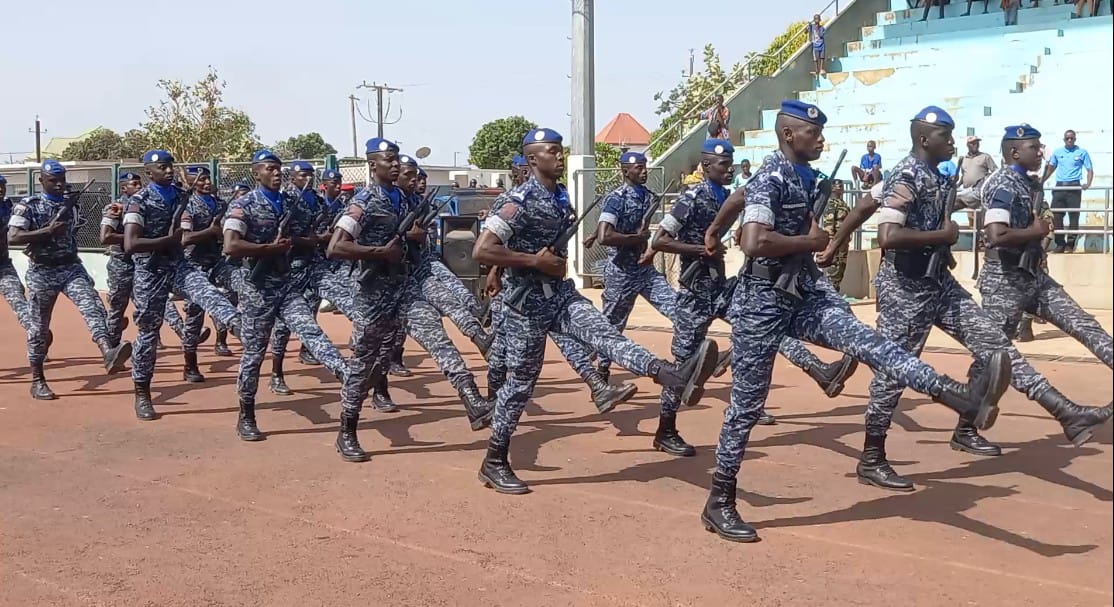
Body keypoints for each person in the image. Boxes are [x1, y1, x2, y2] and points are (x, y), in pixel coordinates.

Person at [699, 101, 1008, 542]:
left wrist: (715, 229)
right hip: (760, 301)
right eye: (813, 132)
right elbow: (754, 241)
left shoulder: (805, 177)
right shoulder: (773, 175)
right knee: (746, 407)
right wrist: (808, 239)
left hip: (803, 293)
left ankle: (955, 394)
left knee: (871, 343)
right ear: (789, 135)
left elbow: (737, 197)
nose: (821, 139)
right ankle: (720, 500)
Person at [862, 107, 1111, 488]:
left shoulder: (942, 178)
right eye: (946, 136)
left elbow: (956, 205)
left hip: (941, 285)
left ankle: (1063, 411)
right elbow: (888, 238)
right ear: (925, 139)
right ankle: (872, 456)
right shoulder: (905, 174)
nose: (954, 143)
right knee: (894, 372)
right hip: (905, 288)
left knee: (998, 349)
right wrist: (943, 237)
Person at [472, 127, 720, 495]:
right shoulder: (517, 199)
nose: (559, 156)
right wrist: (531, 261)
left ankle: (669, 373)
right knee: (520, 385)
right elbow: (483, 249)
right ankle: (494, 460)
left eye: (560, 150)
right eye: (552, 151)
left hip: (560, 294)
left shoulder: (561, 198)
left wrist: (548, 265)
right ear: (532, 157)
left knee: (605, 334)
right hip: (525, 303)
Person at [975, 124, 1112, 444]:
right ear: (1013, 152)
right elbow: (996, 235)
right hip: (1004, 282)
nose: (1041, 152)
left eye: (1040, 147)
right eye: (1033, 147)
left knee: (1086, 326)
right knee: (995, 361)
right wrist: (1035, 233)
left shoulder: (1030, 182)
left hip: (1035, 277)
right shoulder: (1003, 184)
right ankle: (967, 425)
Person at [224, 149, 348, 442]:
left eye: (279, 168)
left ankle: (345, 374)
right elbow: (231, 246)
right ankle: (247, 413)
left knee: (311, 330)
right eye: (270, 168)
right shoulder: (244, 205)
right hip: (257, 289)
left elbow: (315, 228)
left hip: (287, 284)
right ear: (256, 173)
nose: (277, 173)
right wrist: (268, 249)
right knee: (254, 354)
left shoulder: (292, 202)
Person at [123, 151, 242, 419]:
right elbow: (131, 244)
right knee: (149, 334)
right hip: (149, 270)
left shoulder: (180, 196)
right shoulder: (138, 202)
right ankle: (142, 391)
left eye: (170, 167)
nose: (168, 171)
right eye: (162, 168)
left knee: (206, 292)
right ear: (148, 172)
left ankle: (237, 324)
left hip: (179, 264)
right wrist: (168, 240)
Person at [7, 160, 133, 400]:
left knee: (93, 306)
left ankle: (108, 351)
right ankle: (38, 379)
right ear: (41, 181)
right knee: (38, 329)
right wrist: (45, 232)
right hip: (42, 272)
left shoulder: (71, 205)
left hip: (70, 267)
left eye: (62, 179)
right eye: (53, 180)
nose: (59, 184)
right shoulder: (29, 206)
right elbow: (13, 237)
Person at [327, 138, 410, 460]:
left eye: (397, 159)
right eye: (389, 160)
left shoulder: (401, 198)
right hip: (371, 294)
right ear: (373, 165)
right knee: (362, 362)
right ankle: (347, 429)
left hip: (400, 290)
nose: (395, 164)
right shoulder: (363, 201)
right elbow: (336, 247)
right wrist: (379, 253)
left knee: (383, 360)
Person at [594, 151, 679, 387]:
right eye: (638, 167)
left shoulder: (649, 197)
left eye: (645, 166)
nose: (644, 171)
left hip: (644, 269)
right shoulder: (616, 198)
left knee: (676, 308)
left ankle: (685, 361)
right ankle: (601, 370)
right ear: (625, 171)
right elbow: (605, 235)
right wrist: (636, 238)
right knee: (612, 324)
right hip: (620, 271)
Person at [178, 165, 238, 382]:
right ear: (191, 183)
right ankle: (190, 364)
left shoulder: (221, 204)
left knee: (234, 293)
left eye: (207, 178)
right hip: (194, 265)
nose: (206, 182)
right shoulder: (187, 207)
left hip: (218, 261)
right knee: (194, 316)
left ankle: (225, 336)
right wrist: (210, 232)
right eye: (200, 179)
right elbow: (185, 239)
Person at [0, 174, 42, 347]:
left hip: (2, 265)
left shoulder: (8, 206)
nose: (0, 189)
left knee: (18, 299)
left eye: (2, 185)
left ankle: (38, 340)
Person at [1041, 129, 1093, 253]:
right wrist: (1041, 181)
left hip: (1074, 187)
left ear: (1075, 139)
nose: (1069, 140)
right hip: (1060, 187)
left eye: (1072, 138)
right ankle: (1060, 244)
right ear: (1064, 139)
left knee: (1074, 216)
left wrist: (1088, 183)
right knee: (1056, 216)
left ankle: (1070, 244)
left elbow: (1089, 169)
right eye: (1067, 138)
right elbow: (1051, 168)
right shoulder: (1058, 152)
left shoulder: (1082, 152)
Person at [821, 179, 851, 292]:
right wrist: (830, 245)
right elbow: (829, 225)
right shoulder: (831, 203)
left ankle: (835, 293)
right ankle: (831, 296)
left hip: (843, 243)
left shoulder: (842, 203)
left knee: (840, 272)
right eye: (838, 186)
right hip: (836, 244)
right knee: (834, 272)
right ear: (832, 188)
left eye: (842, 185)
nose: (841, 188)